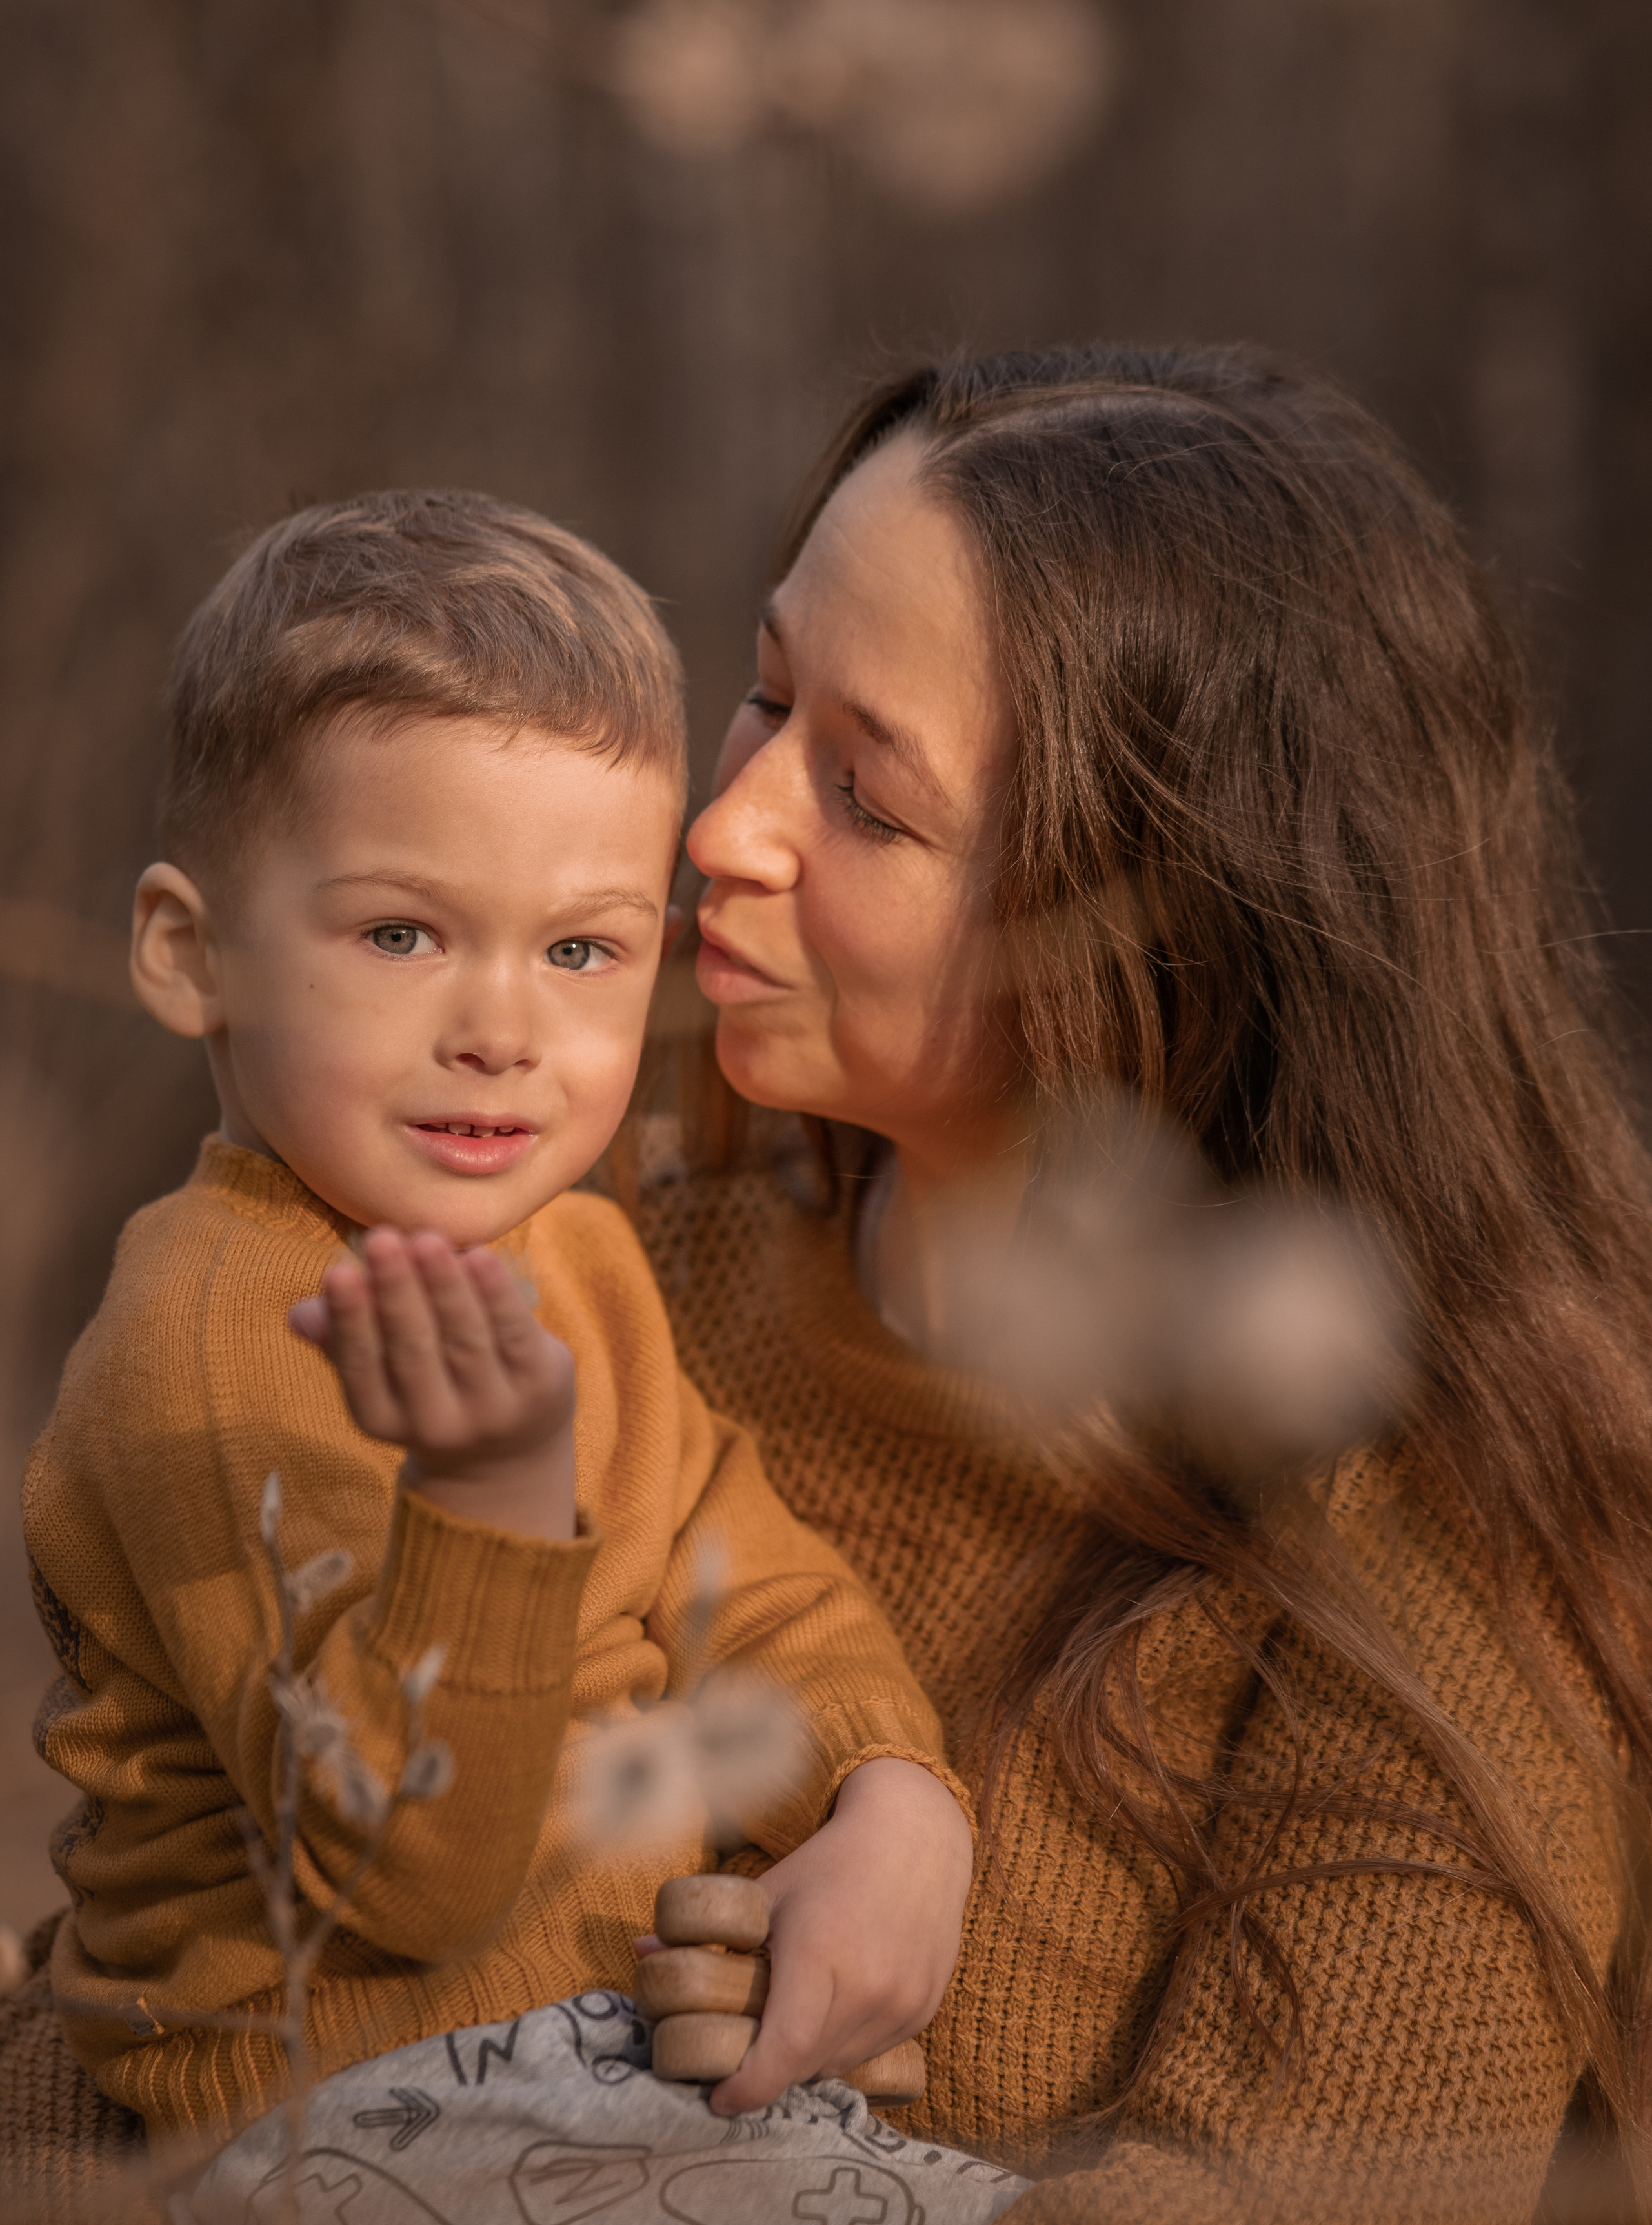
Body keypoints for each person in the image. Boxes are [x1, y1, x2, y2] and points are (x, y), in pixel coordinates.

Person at [637, 344, 1652, 2222]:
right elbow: (158, 1942)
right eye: (765, 696)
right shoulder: (606, 1281)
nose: (727, 829)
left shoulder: (1443, 1545)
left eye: (867, 797)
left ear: (1166, 927)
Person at [21, 491, 1017, 2221]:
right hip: (349, 2103)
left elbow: (749, 1579)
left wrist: (890, 1794)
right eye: (403, 933)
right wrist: (483, 1504)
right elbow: (403, 1870)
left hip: (603, 2074)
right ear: (192, 954)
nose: (500, 1026)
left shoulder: (570, 1251)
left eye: (579, 950)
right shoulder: (204, 1334)